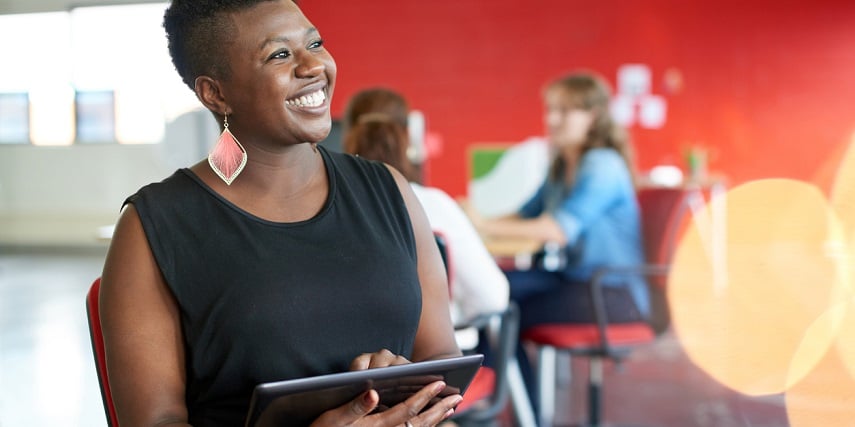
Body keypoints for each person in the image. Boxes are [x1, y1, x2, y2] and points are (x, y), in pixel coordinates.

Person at [98, 1, 463, 426]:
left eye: (315, 43)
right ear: (215, 93)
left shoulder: (389, 189)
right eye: (280, 54)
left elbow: (441, 356)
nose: (314, 66)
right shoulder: (151, 228)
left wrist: (403, 389)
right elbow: (155, 421)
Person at [471, 71, 648, 407]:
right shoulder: (561, 163)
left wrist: (483, 225)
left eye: (565, 111)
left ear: (592, 116)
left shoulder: (602, 165)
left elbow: (556, 229)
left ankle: (519, 412)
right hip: (575, 279)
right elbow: (525, 215)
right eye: (551, 109)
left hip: (611, 292)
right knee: (485, 290)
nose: (552, 119)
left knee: (500, 311)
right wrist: (475, 222)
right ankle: (506, 405)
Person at [341, 90, 509, 344]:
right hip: (436, 362)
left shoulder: (324, 208)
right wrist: (454, 314)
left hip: (351, 368)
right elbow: (493, 297)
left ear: (346, 136)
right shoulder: (434, 205)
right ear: (408, 136)